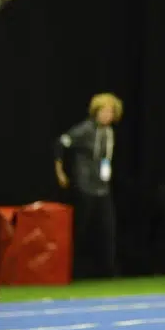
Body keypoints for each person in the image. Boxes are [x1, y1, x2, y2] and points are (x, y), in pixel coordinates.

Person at [53, 92, 123, 278]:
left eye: (111, 112)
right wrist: (60, 171)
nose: (107, 115)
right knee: (81, 230)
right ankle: (72, 271)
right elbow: (61, 143)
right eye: (104, 111)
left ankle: (108, 271)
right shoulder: (85, 130)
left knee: (107, 230)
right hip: (85, 187)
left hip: (103, 188)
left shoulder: (109, 133)